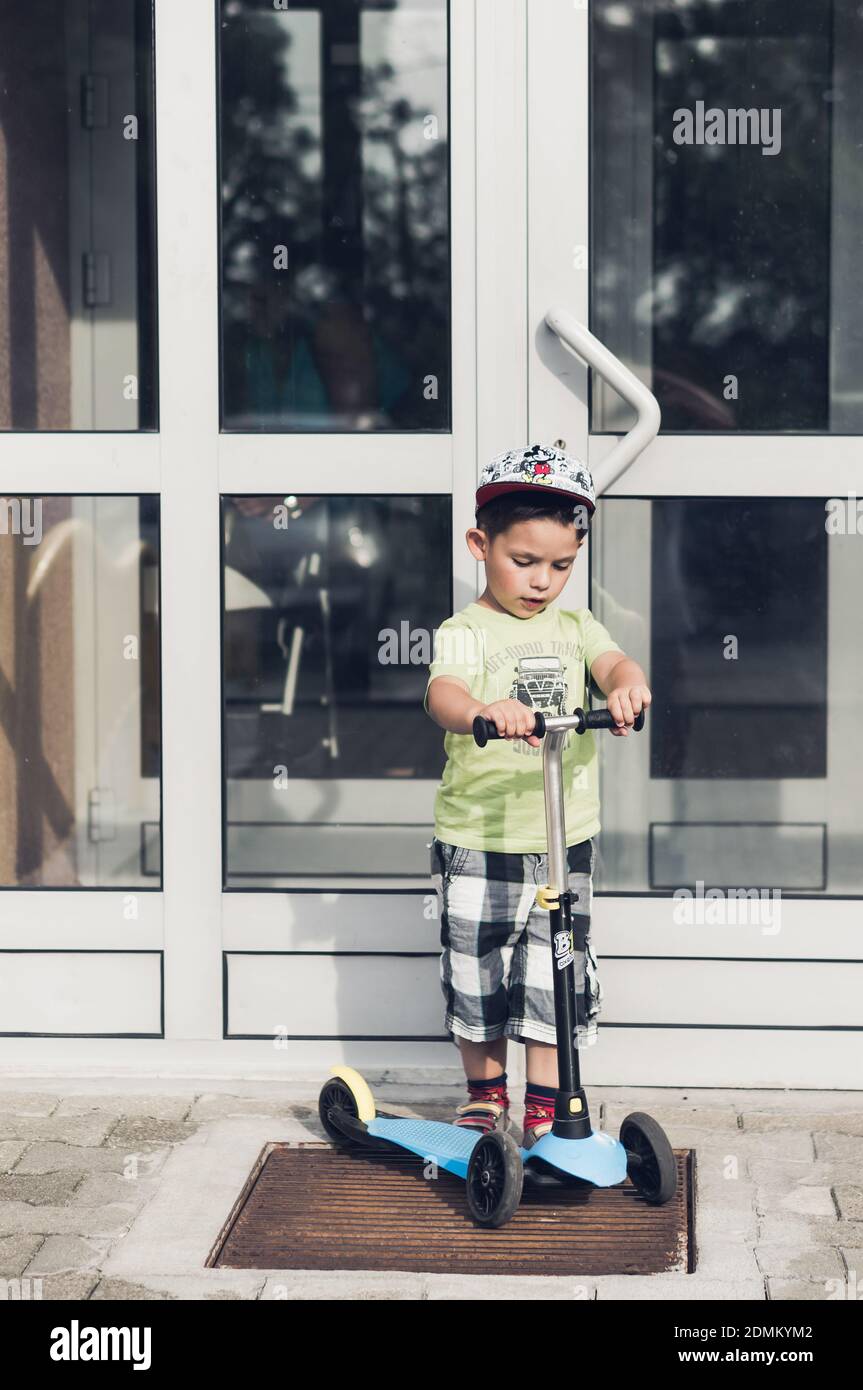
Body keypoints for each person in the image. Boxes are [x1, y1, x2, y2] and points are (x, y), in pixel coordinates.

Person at [423, 444, 652, 1147]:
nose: (542, 581)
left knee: (555, 977)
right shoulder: (466, 632)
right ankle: (486, 1097)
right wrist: (484, 712)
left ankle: (551, 1106)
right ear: (479, 545)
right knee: (479, 972)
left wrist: (622, 685)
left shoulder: (575, 626)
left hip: (562, 838)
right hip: (480, 838)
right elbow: (443, 695)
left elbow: (612, 660)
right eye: (523, 562)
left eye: (560, 566)